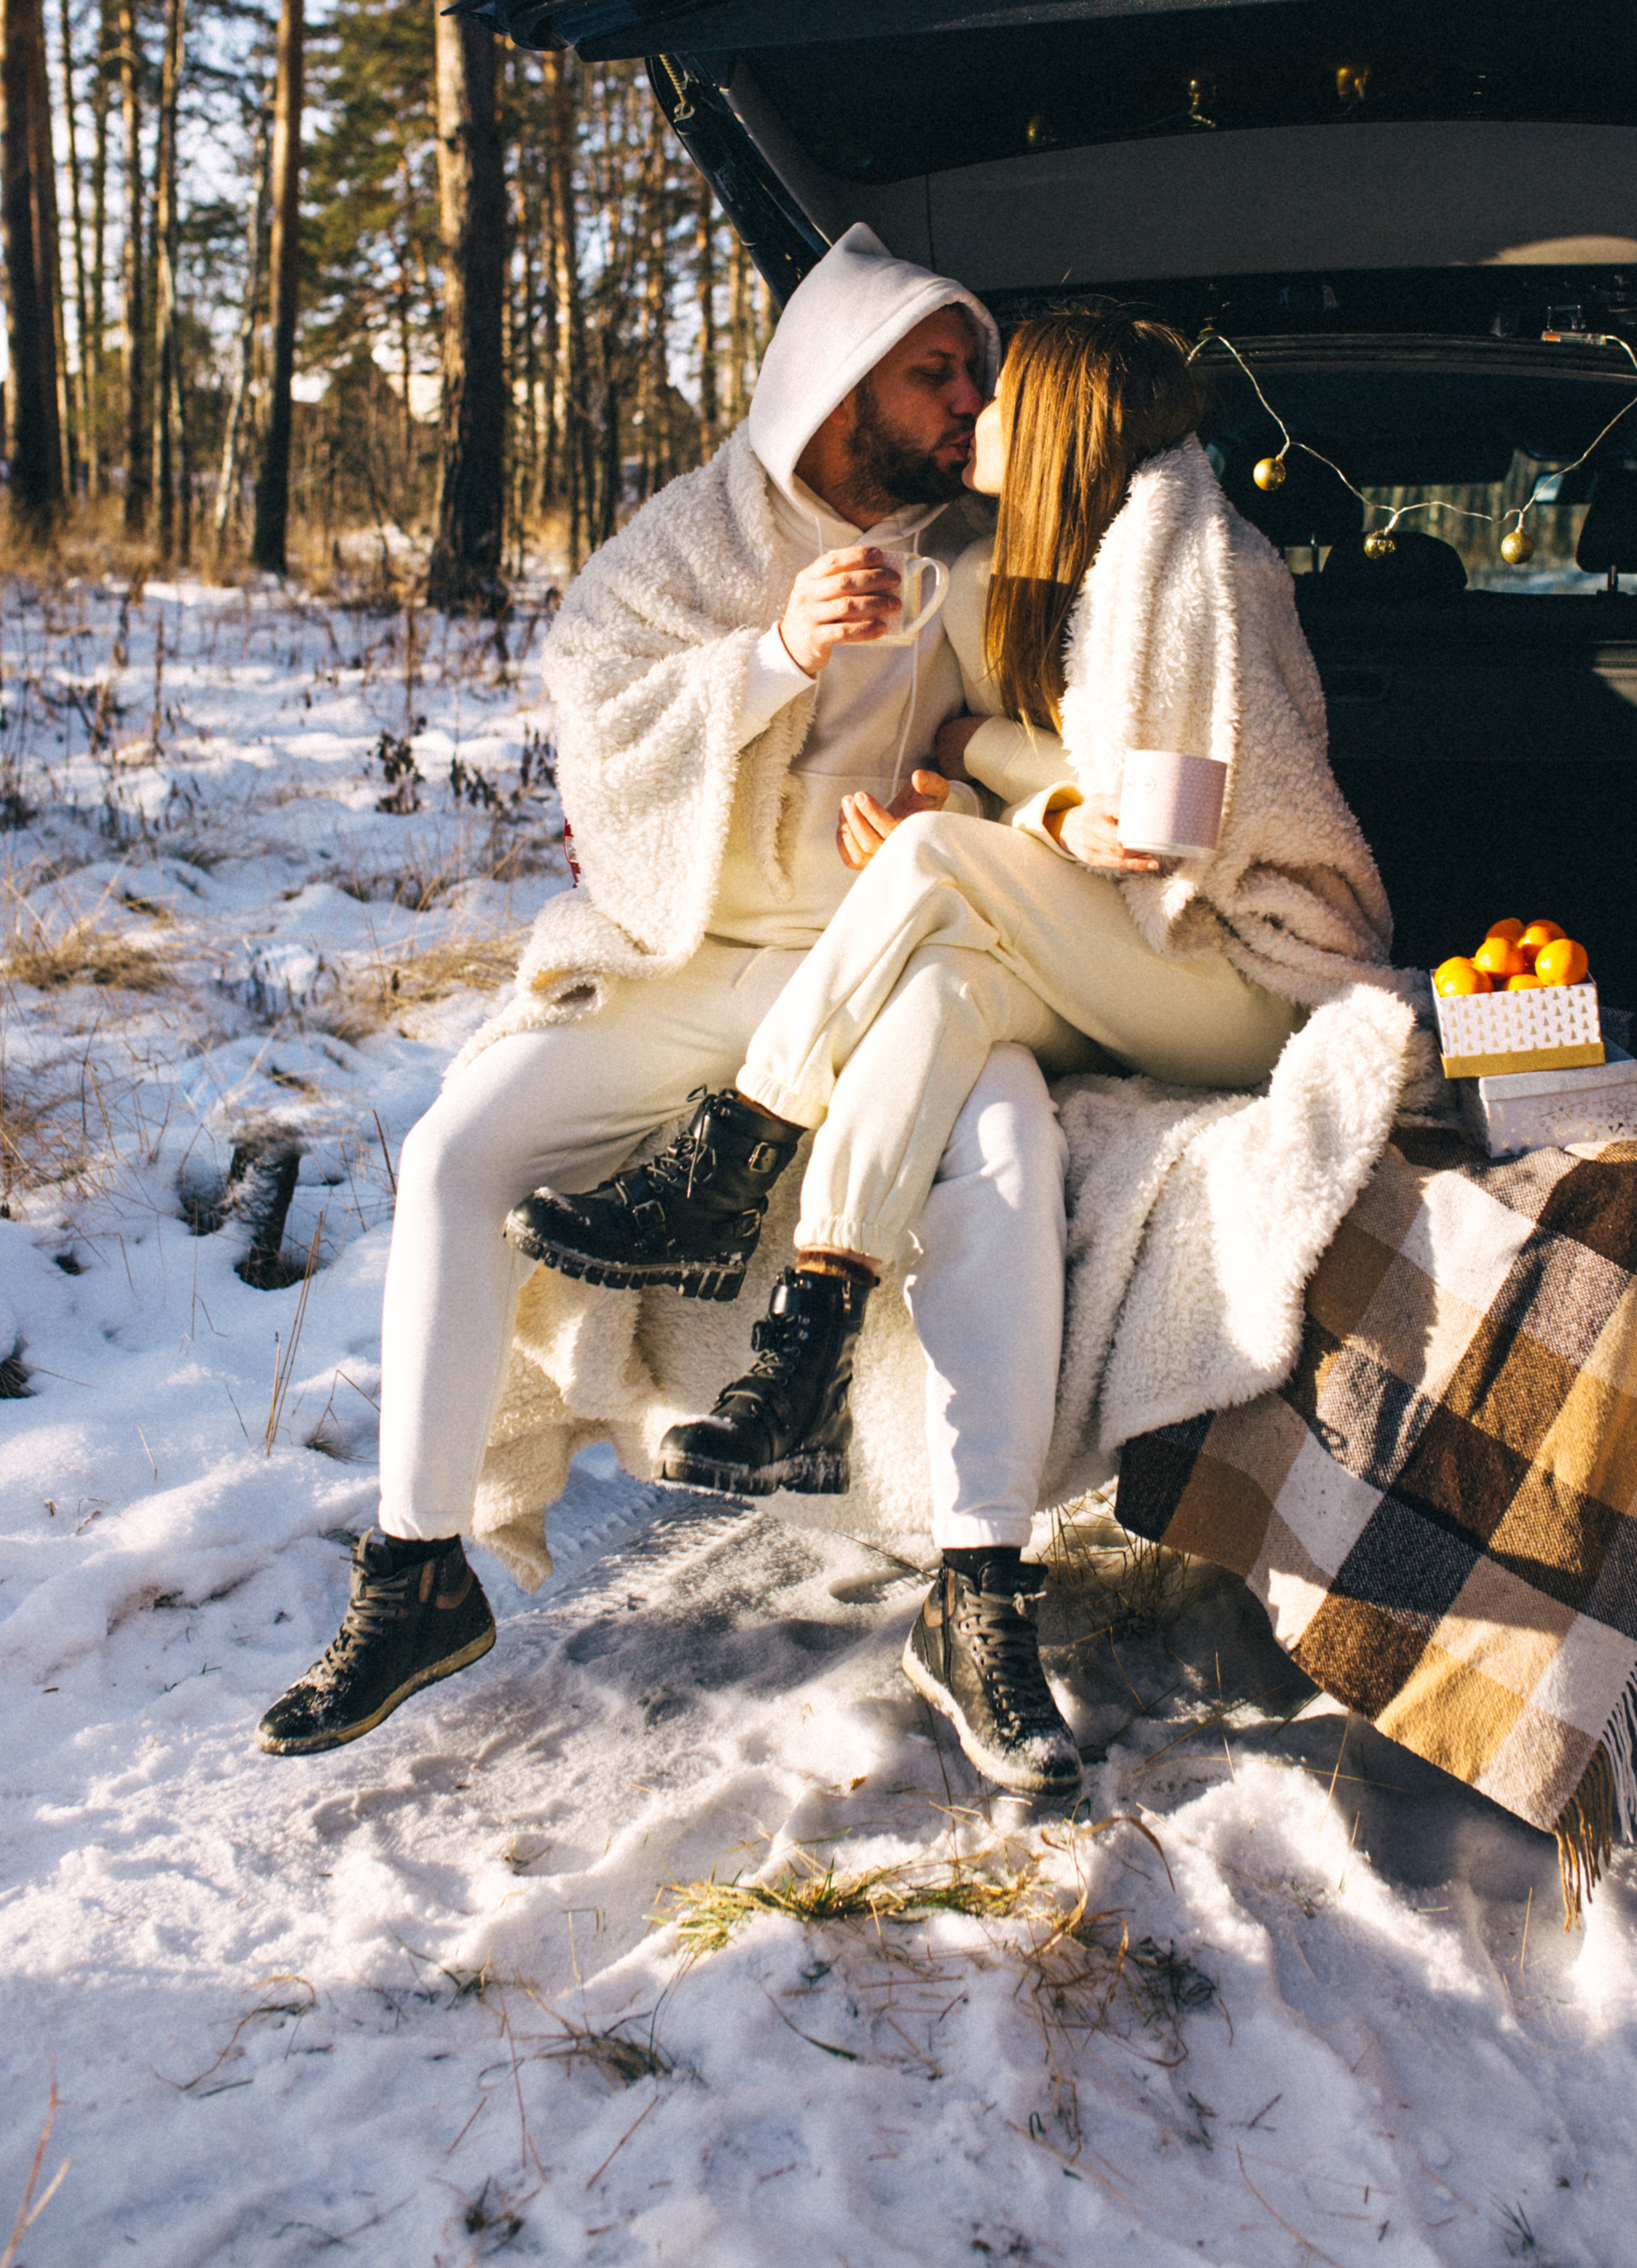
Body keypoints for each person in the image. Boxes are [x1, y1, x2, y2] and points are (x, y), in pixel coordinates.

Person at [257, 226, 1087, 1799]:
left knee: (1006, 1152)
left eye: (973, 372)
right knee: (457, 1156)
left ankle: (979, 1591)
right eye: (937, 371)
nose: (967, 400)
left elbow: (1026, 731)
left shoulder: (980, 548)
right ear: (841, 385)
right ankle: (417, 1570)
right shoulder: (692, 538)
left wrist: (938, 786)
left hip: (892, 969)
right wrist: (775, 653)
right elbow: (600, 714)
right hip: (690, 958)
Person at [511, 312, 1391, 1787]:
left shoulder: (1192, 564)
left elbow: (1187, 807)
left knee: (926, 865)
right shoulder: (1094, 558)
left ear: (1056, 425)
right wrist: (1017, 797)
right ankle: (812, 1333)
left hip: (1245, 970)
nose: (970, 413)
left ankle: (733, 1155)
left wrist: (1009, 810)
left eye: (997, 396)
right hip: (1146, 942)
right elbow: (1051, 769)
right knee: (936, 996)